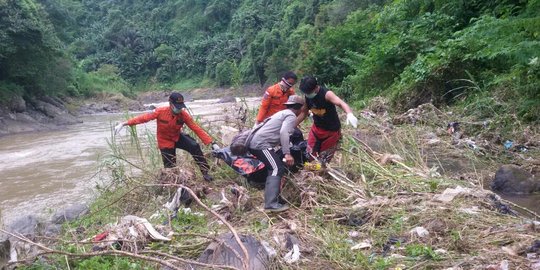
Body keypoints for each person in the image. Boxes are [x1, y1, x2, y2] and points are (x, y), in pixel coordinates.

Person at [114, 92, 218, 182]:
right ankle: (173, 184)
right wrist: (124, 123)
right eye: (177, 106)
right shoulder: (160, 112)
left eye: (181, 106)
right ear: (170, 103)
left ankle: (205, 172)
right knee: (171, 168)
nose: (179, 109)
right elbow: (143, 118)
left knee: (194, 145)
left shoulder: (183, 115)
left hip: (177, 137)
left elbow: (196, 128)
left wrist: (212, 143)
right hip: (165, 141)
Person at [248, 95, 305, 212]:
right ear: (299, 108)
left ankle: (276, 199)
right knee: (276, 169)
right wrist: (287, 154)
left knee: (276, 167)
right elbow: (284, 132)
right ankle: (271, 204)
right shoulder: (291, 116)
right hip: (260, 144)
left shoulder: (282, 113)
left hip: (255, 142)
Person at [296, 76, 358, 162]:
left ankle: (320, 172)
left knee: (323, 160)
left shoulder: (326, 94)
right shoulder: (308, 96)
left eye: (309, 92)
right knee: (309, 155)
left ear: (316, 87)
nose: (307, 95)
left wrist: (349, 114)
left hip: (331, 131)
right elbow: (304, 112)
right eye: (306, 93)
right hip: (316, 129)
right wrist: (292, 126)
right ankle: (309, 172)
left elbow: (340, 103)